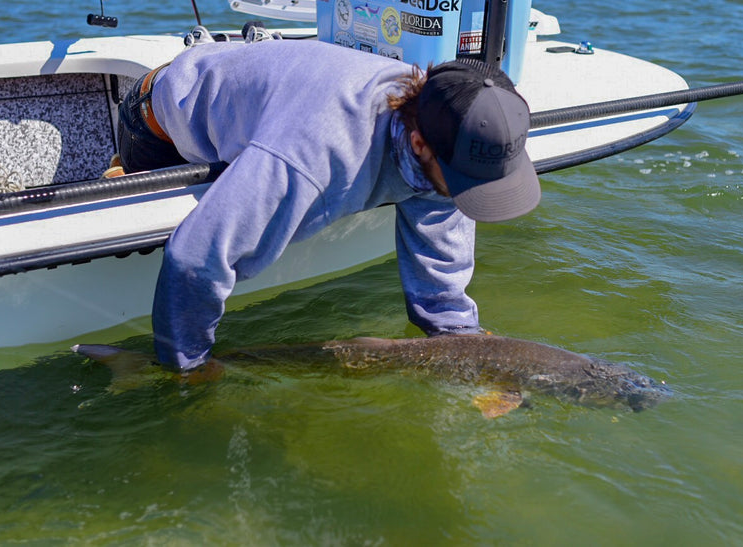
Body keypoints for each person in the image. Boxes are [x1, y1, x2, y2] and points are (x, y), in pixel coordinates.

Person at [115, 38, 540, 371]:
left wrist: (468, 345)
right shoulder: (313, 156)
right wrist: (188, 369)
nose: (473, 195)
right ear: (418, 144)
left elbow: (443, 292)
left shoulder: (445, 128)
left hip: (262, 105)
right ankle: (119, 169)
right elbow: (194, 260)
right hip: (161, 118)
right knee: (182, 200)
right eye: (467, 183)